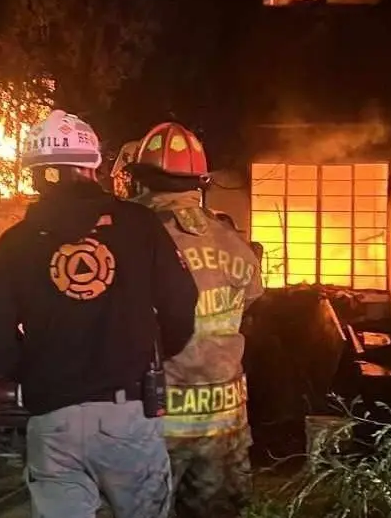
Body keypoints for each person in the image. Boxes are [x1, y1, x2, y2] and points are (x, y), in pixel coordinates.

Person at [0, 109, 198, 518]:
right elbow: (181, 306)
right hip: (128, 415)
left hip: (52, 419)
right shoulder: (140, 225)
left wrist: (29, 369)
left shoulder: (15, 243)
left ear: (34, 173)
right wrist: (146, 352)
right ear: (92, 166)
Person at [124, 122, 265, 518]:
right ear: (199, 182)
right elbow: (250, 302)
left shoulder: (134, 239)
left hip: (157, 421)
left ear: (143, 182)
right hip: (224, 420)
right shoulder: (231, 239)